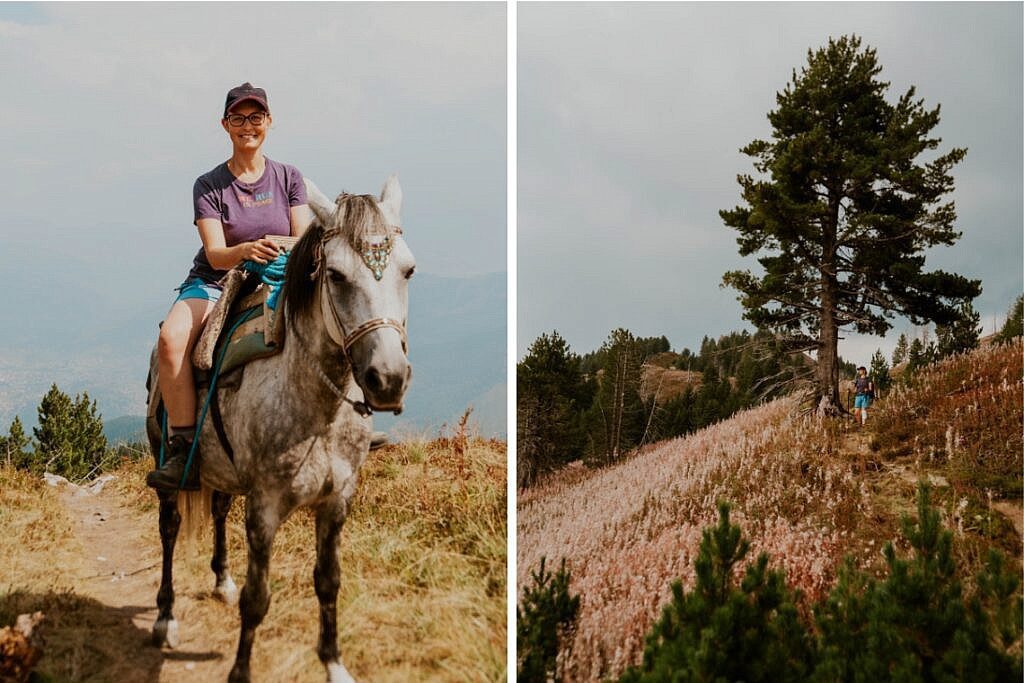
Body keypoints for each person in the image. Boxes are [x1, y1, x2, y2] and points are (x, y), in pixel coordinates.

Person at [147, 83, 312, 491]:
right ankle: (184, 447)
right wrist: (246, 250)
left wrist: (278, 251)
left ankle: (351, 421)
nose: (247, 126)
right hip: (216, 281)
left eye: (256, 117)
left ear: (269, 122)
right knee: (171, 340)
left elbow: (304, 237)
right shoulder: (209, 185)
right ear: (225, 125)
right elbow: (216, 253)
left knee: (337, 316)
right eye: (238, 118)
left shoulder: (290, 177)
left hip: (278, 278)